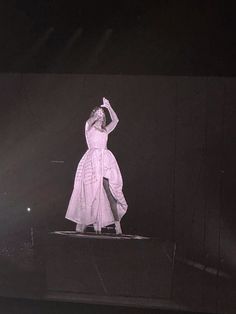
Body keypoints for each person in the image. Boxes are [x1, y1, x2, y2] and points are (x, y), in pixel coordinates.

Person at [65, 97, 128, 234]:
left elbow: (116, 120)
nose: (100, 114)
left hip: (105, 162)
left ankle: (118, 227)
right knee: (90, 193)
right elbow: (88, 121)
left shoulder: (105, 131)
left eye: (102, 113)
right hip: (92, 162)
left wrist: (108, 106)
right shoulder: (89, 127)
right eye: (98, 113)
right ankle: (84, 224)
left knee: (109, 191)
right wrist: (96, 113)